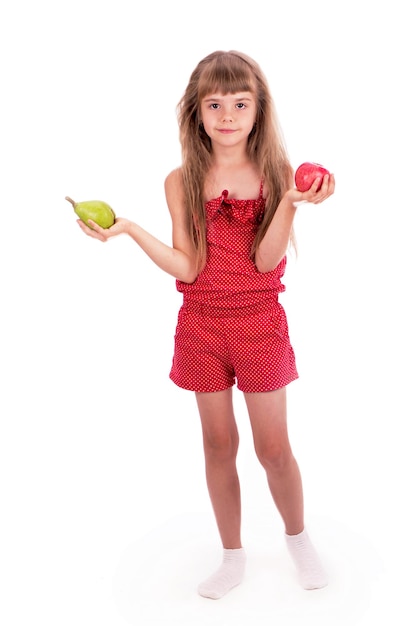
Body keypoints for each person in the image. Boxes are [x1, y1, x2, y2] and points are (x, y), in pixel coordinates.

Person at [77, 50, 335, 600]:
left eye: (240, 103)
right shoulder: (180, 180)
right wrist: (127, 229)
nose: (227, 115)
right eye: (214, 104)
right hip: (201, 326)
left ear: (258, 109)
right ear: (195, 111)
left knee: (273, 450)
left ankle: (298, 537)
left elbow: (266, 262)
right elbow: (189, 265)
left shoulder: (277, 174)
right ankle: (232, 555)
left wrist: (288, 200)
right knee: (218, 445)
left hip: (260, 322)